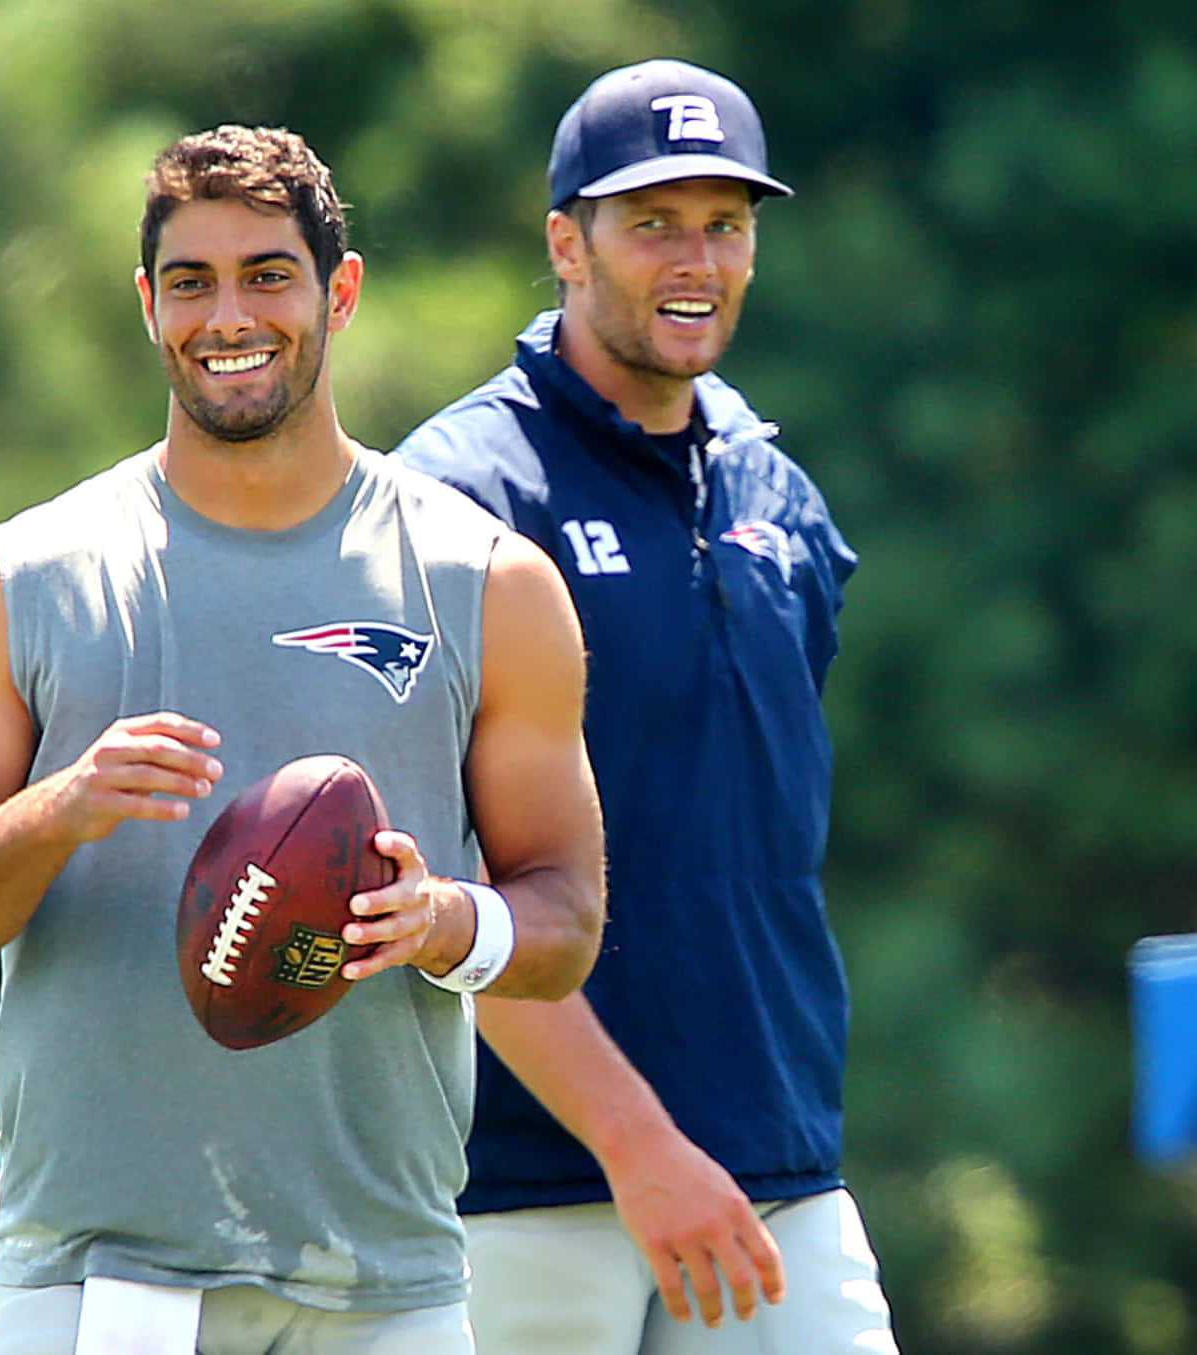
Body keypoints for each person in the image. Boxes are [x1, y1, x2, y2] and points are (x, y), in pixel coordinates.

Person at [0, 124, 606, 1355]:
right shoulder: (21, 576)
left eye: (269, 273)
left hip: (389, 1282)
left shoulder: (488, 580)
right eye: (193, 281)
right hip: (95, 1277)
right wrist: (61, 809)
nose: (231, 316)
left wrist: (447, 924)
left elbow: (566, 920)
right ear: (148, 304)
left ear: (341, 292)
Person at [396, 60, 898, 1353]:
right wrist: (636, 1139)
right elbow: (425, 882)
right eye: (653, 221)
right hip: (519, 1190)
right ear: (567, 242)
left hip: (772, 1166)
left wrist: (694, 1152)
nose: (699, 257)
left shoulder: (774, 487)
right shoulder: (462, 495)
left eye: (726, 223)